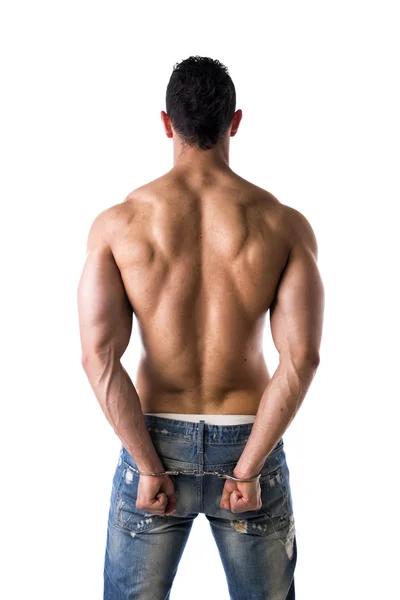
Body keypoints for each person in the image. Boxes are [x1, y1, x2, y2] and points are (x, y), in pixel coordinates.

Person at [77, 55, 325, 600]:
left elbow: (98, 356)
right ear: (235, 122)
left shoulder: (119, 225)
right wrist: (248, 469)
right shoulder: (282, 224)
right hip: (249, 441)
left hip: (153, 440)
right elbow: (301, 358)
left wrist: (146, 465)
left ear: (166, 123)